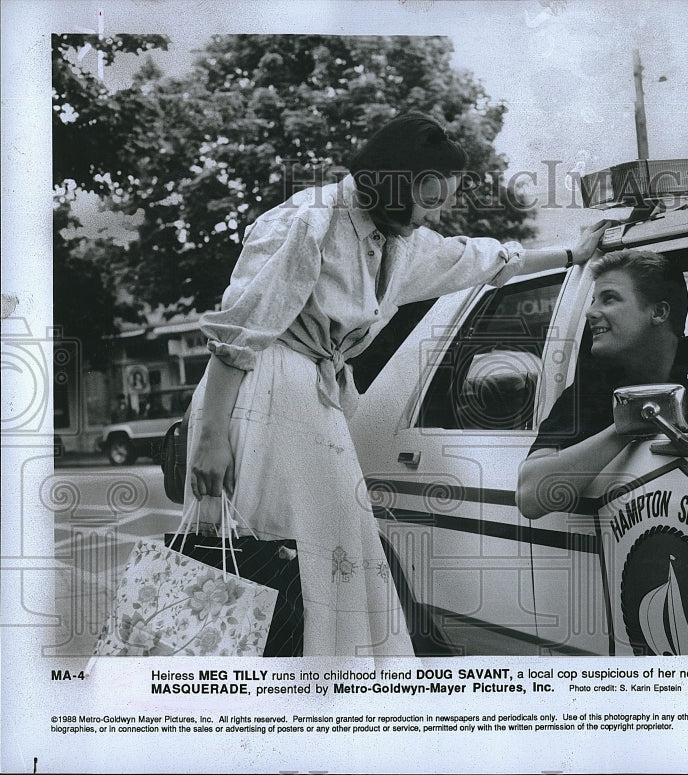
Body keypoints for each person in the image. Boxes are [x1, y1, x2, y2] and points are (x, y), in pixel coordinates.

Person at [186, 112, 608, 656]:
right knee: (268, 548)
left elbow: (480, 259)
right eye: (430, 199)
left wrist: (573, 254)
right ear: (394, 183)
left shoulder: (400, 244)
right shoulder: (309, 219)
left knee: (323, 558)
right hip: (261, 390)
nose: (436, 213)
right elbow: (240, 333)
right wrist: (211, 436)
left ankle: (323, 694)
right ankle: (268, 694)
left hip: (314, 397)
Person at [516, 248, 688, 520]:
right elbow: (529, 497)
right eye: (594, 300)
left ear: (658, 312)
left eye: (609, 299)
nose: (591, 312)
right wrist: (627, 427)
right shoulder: (593, 388)